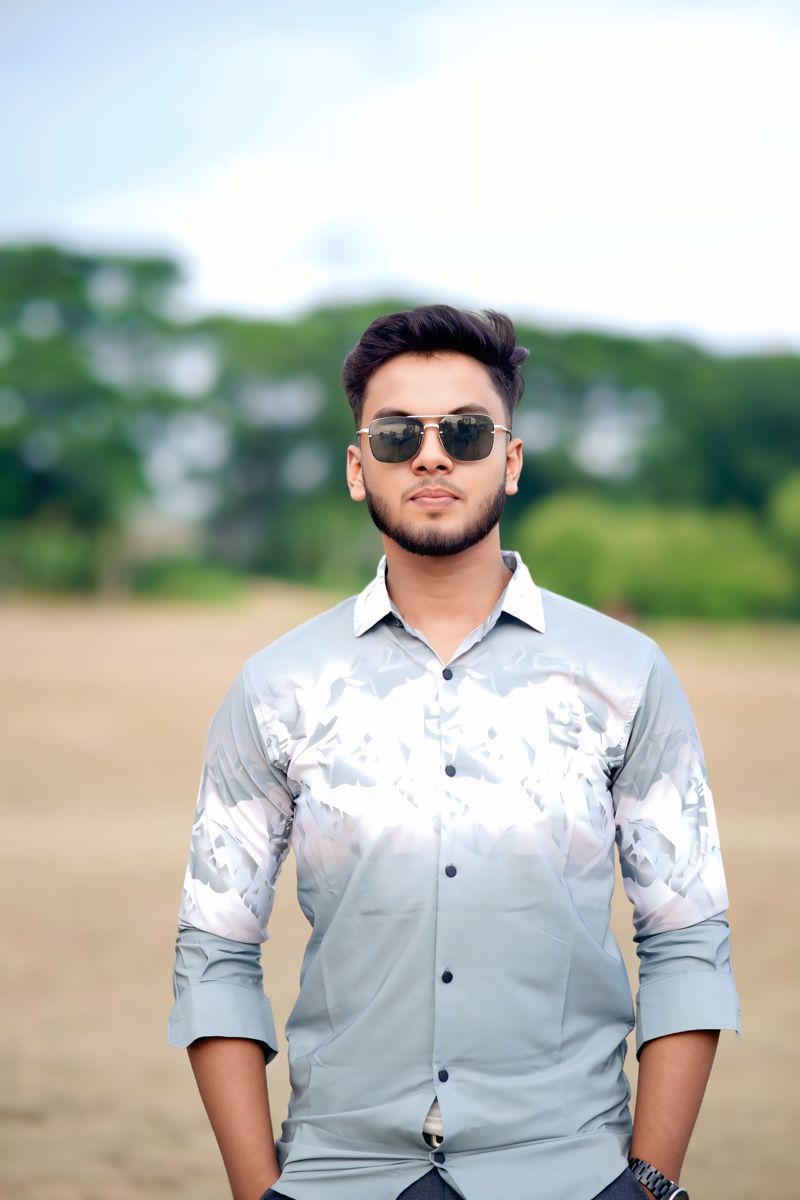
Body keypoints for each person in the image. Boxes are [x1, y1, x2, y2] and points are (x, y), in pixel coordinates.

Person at [167, 305, 741, 1200]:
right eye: (398, 435)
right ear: (357, 468)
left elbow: (686, 935)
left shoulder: (624, 674)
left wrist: (649, 1183)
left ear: (510, 461)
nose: (431, 457)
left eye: (465, 432)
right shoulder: (278, 686)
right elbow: (216, 948)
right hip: (338, 1174)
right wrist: (258, 1191)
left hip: (570, 1170)